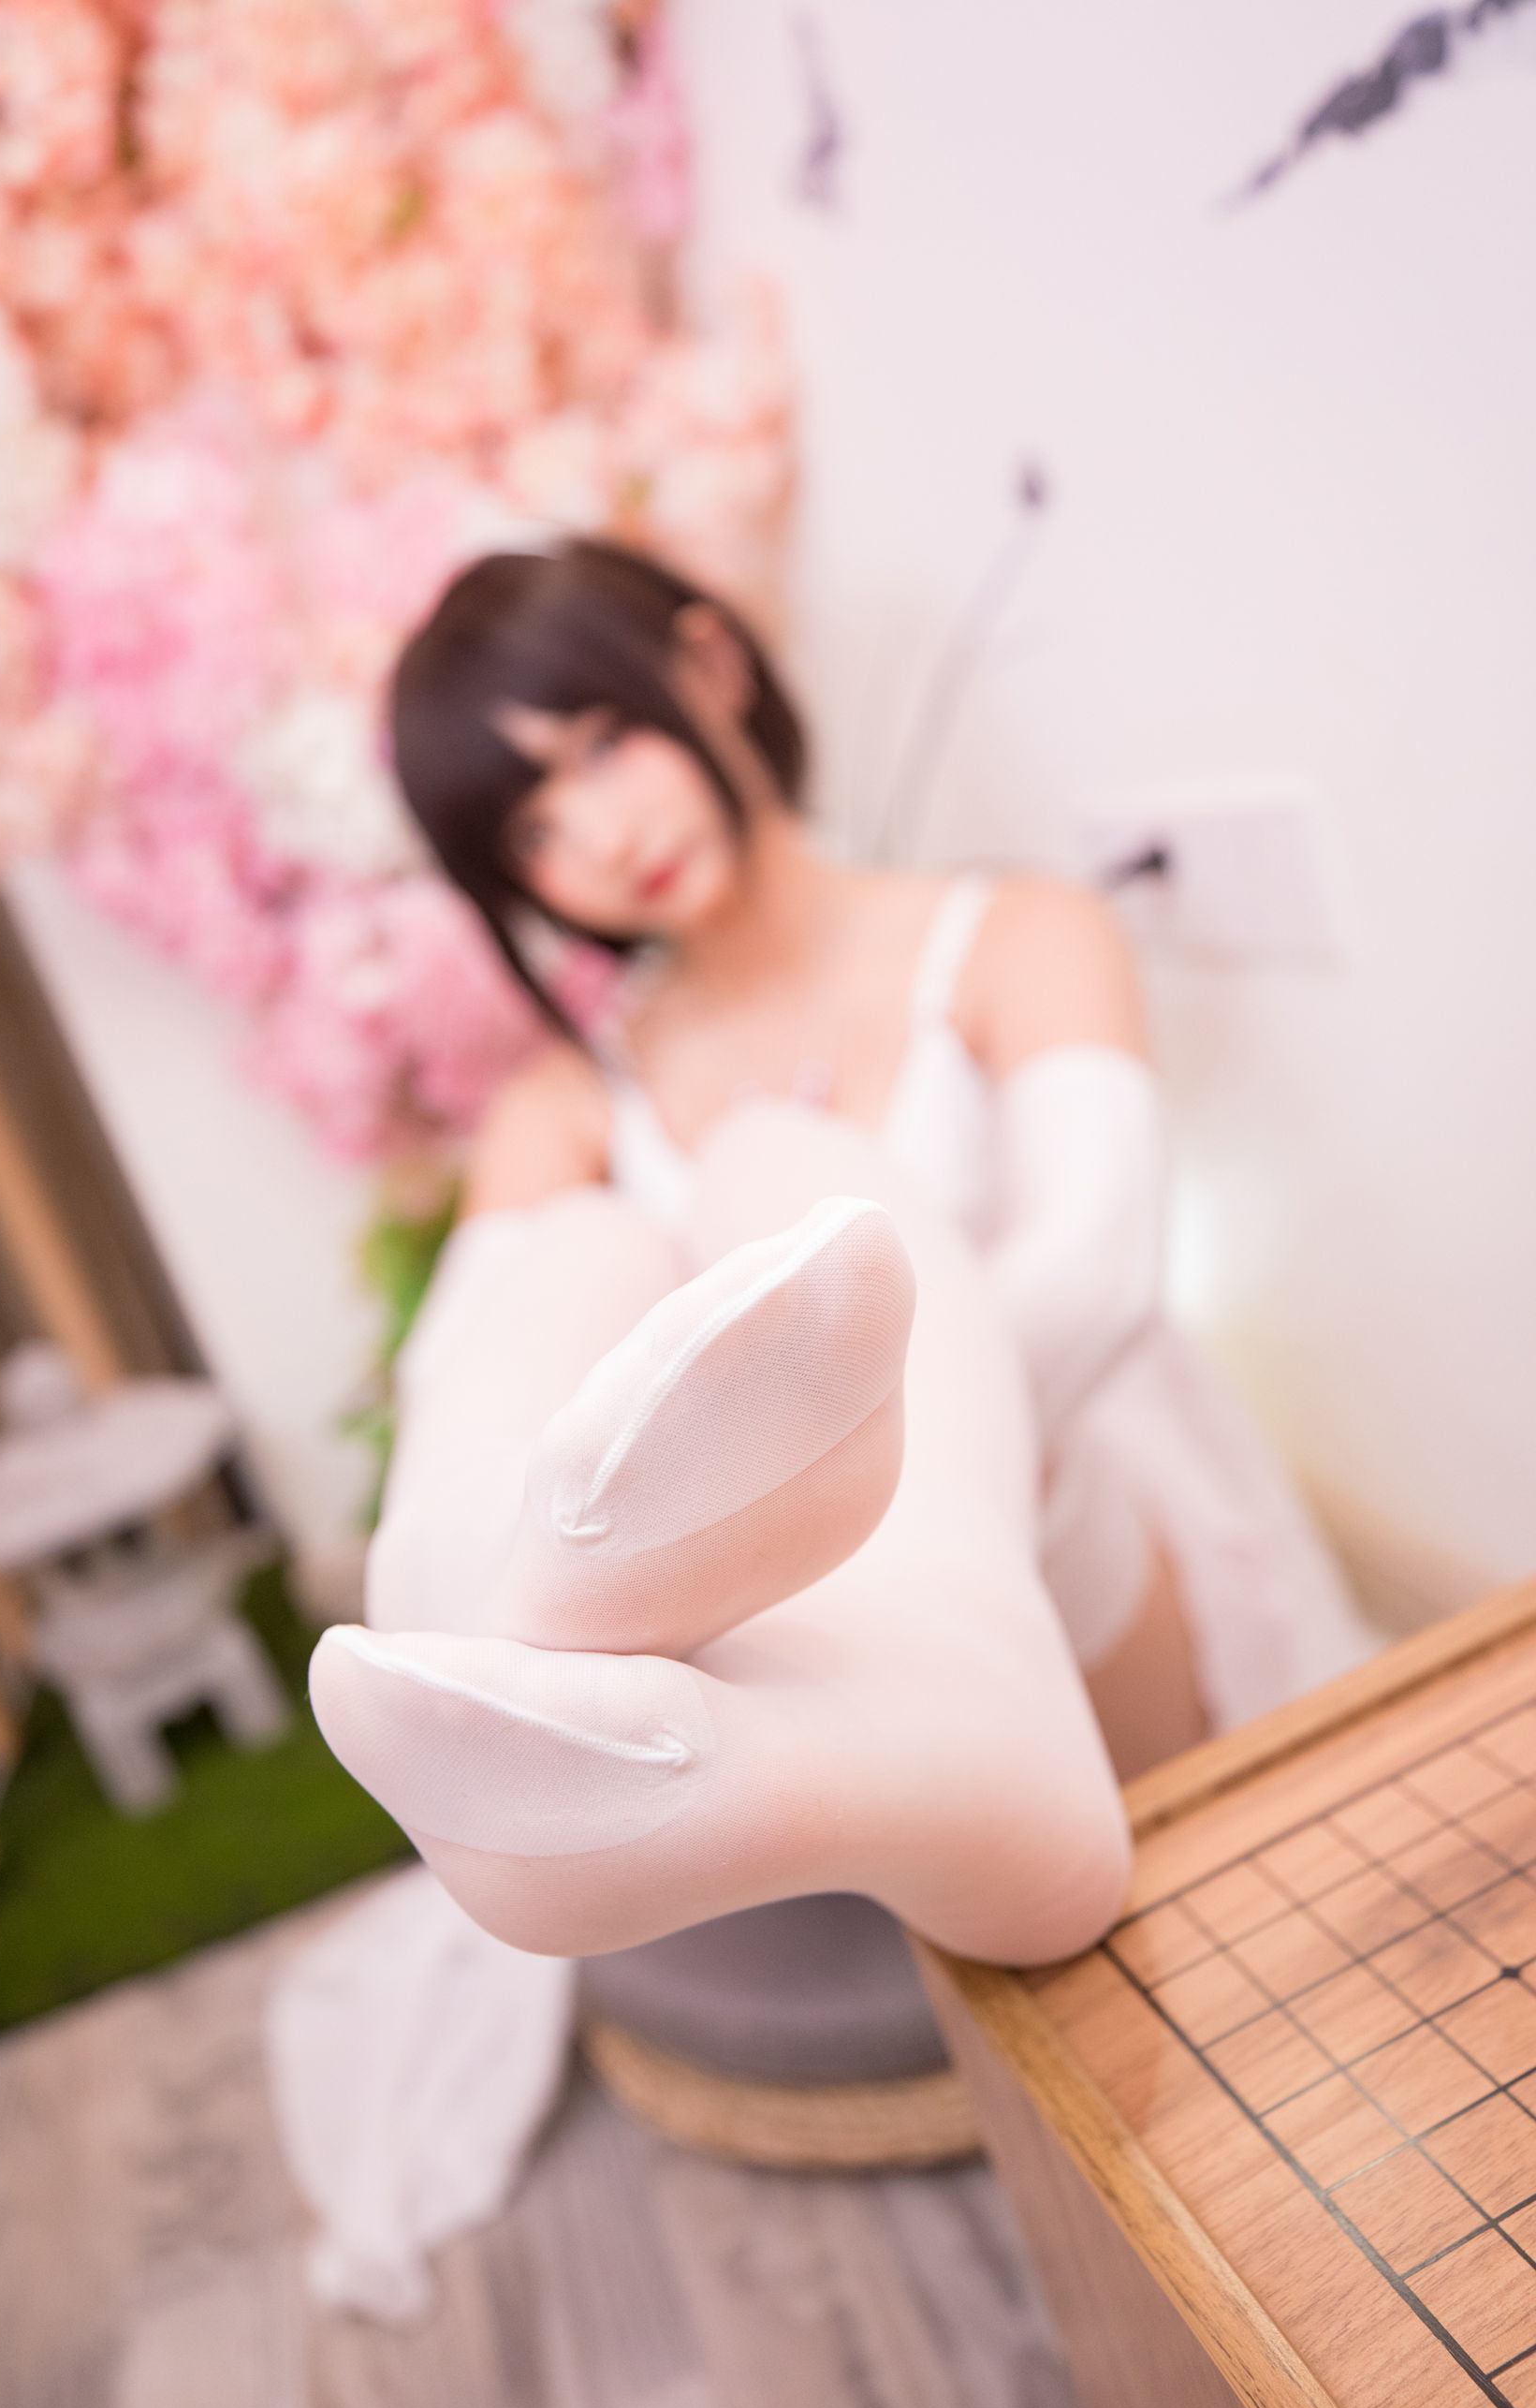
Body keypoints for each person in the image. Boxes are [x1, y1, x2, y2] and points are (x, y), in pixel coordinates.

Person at [309, 539, 1372, 1968]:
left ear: (711, 666)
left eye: (605, 746)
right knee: (578, 1248)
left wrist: (821, 1517)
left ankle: (941, 1731)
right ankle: (481, 1641)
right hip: (769, 1635)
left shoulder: (1011, 937)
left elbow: (1098, 1273)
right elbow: (453, 1376)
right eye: (536, 833)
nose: (602, 839)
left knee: (785, 1178)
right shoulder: (565, 1102)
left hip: (1062, 1504)